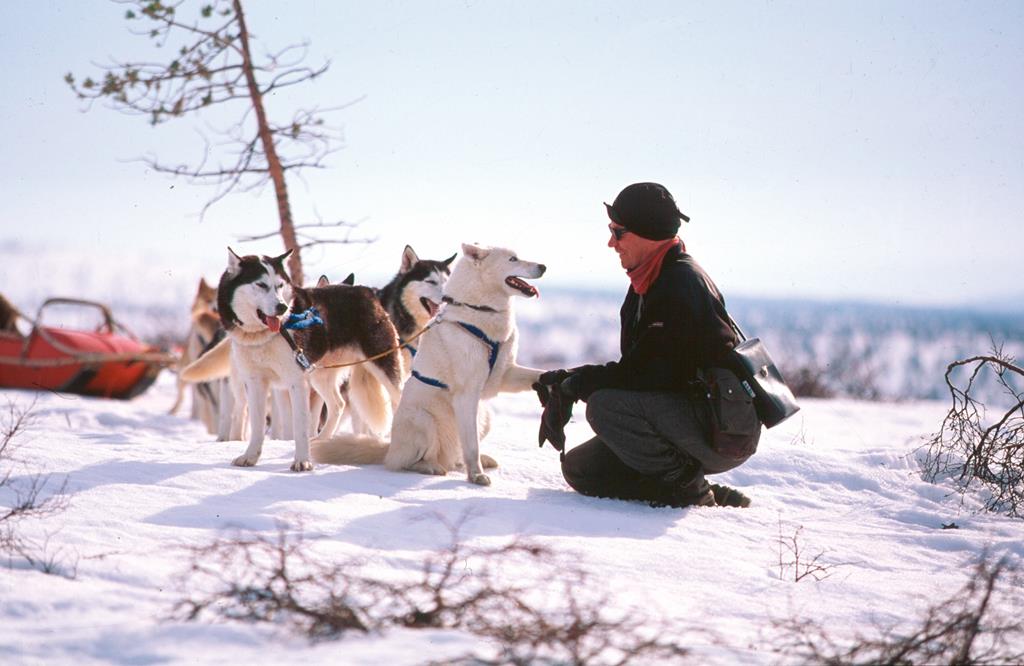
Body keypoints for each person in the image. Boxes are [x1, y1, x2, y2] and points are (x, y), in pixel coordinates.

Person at [535, 182, 760, 508]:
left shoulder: (680, 284)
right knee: (582, 470)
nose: (611, 243)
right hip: (695, 418)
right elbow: (641, 367)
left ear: (648, 231)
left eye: (618, 232)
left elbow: (652, 376)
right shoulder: (651, 278)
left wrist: (577, 385)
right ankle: (695, 485)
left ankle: (691, 491)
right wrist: (568, 380)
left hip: (722, 430)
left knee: (605, 406)